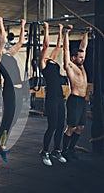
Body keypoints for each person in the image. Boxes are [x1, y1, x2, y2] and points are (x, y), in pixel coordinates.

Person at [0, 16, 26, 165]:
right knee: (6, 121)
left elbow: (21, 42)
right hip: (10, 91)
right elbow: (3, 40)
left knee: (14, 120)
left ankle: (3, 145)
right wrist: (1, 24)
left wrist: (23, 25)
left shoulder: (9, 54)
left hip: (19, 91)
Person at [62, 25, 92, 160]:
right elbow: (66, 50)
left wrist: (86, 33)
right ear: (73, 58)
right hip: (74, 100)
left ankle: (71, 149)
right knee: (71, 127)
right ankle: (63, 151)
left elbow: (83, 48)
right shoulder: (70, 67)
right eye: (79, 57)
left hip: (82, 100)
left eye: (82, 57)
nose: (82, 58)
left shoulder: (82, 66)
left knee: (80, 127)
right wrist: (66, 33)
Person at [39, 22, 67, 166]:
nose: (49, 53)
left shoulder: (52, 61)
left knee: (61, 125)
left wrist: (61, 30)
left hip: (59, 98)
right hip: (50, 99)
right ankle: (45, 152)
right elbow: (46, 46)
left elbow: (58, 46)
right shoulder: (43, 64)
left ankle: (56, 150)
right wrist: (47, 29)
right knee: (52, 126)